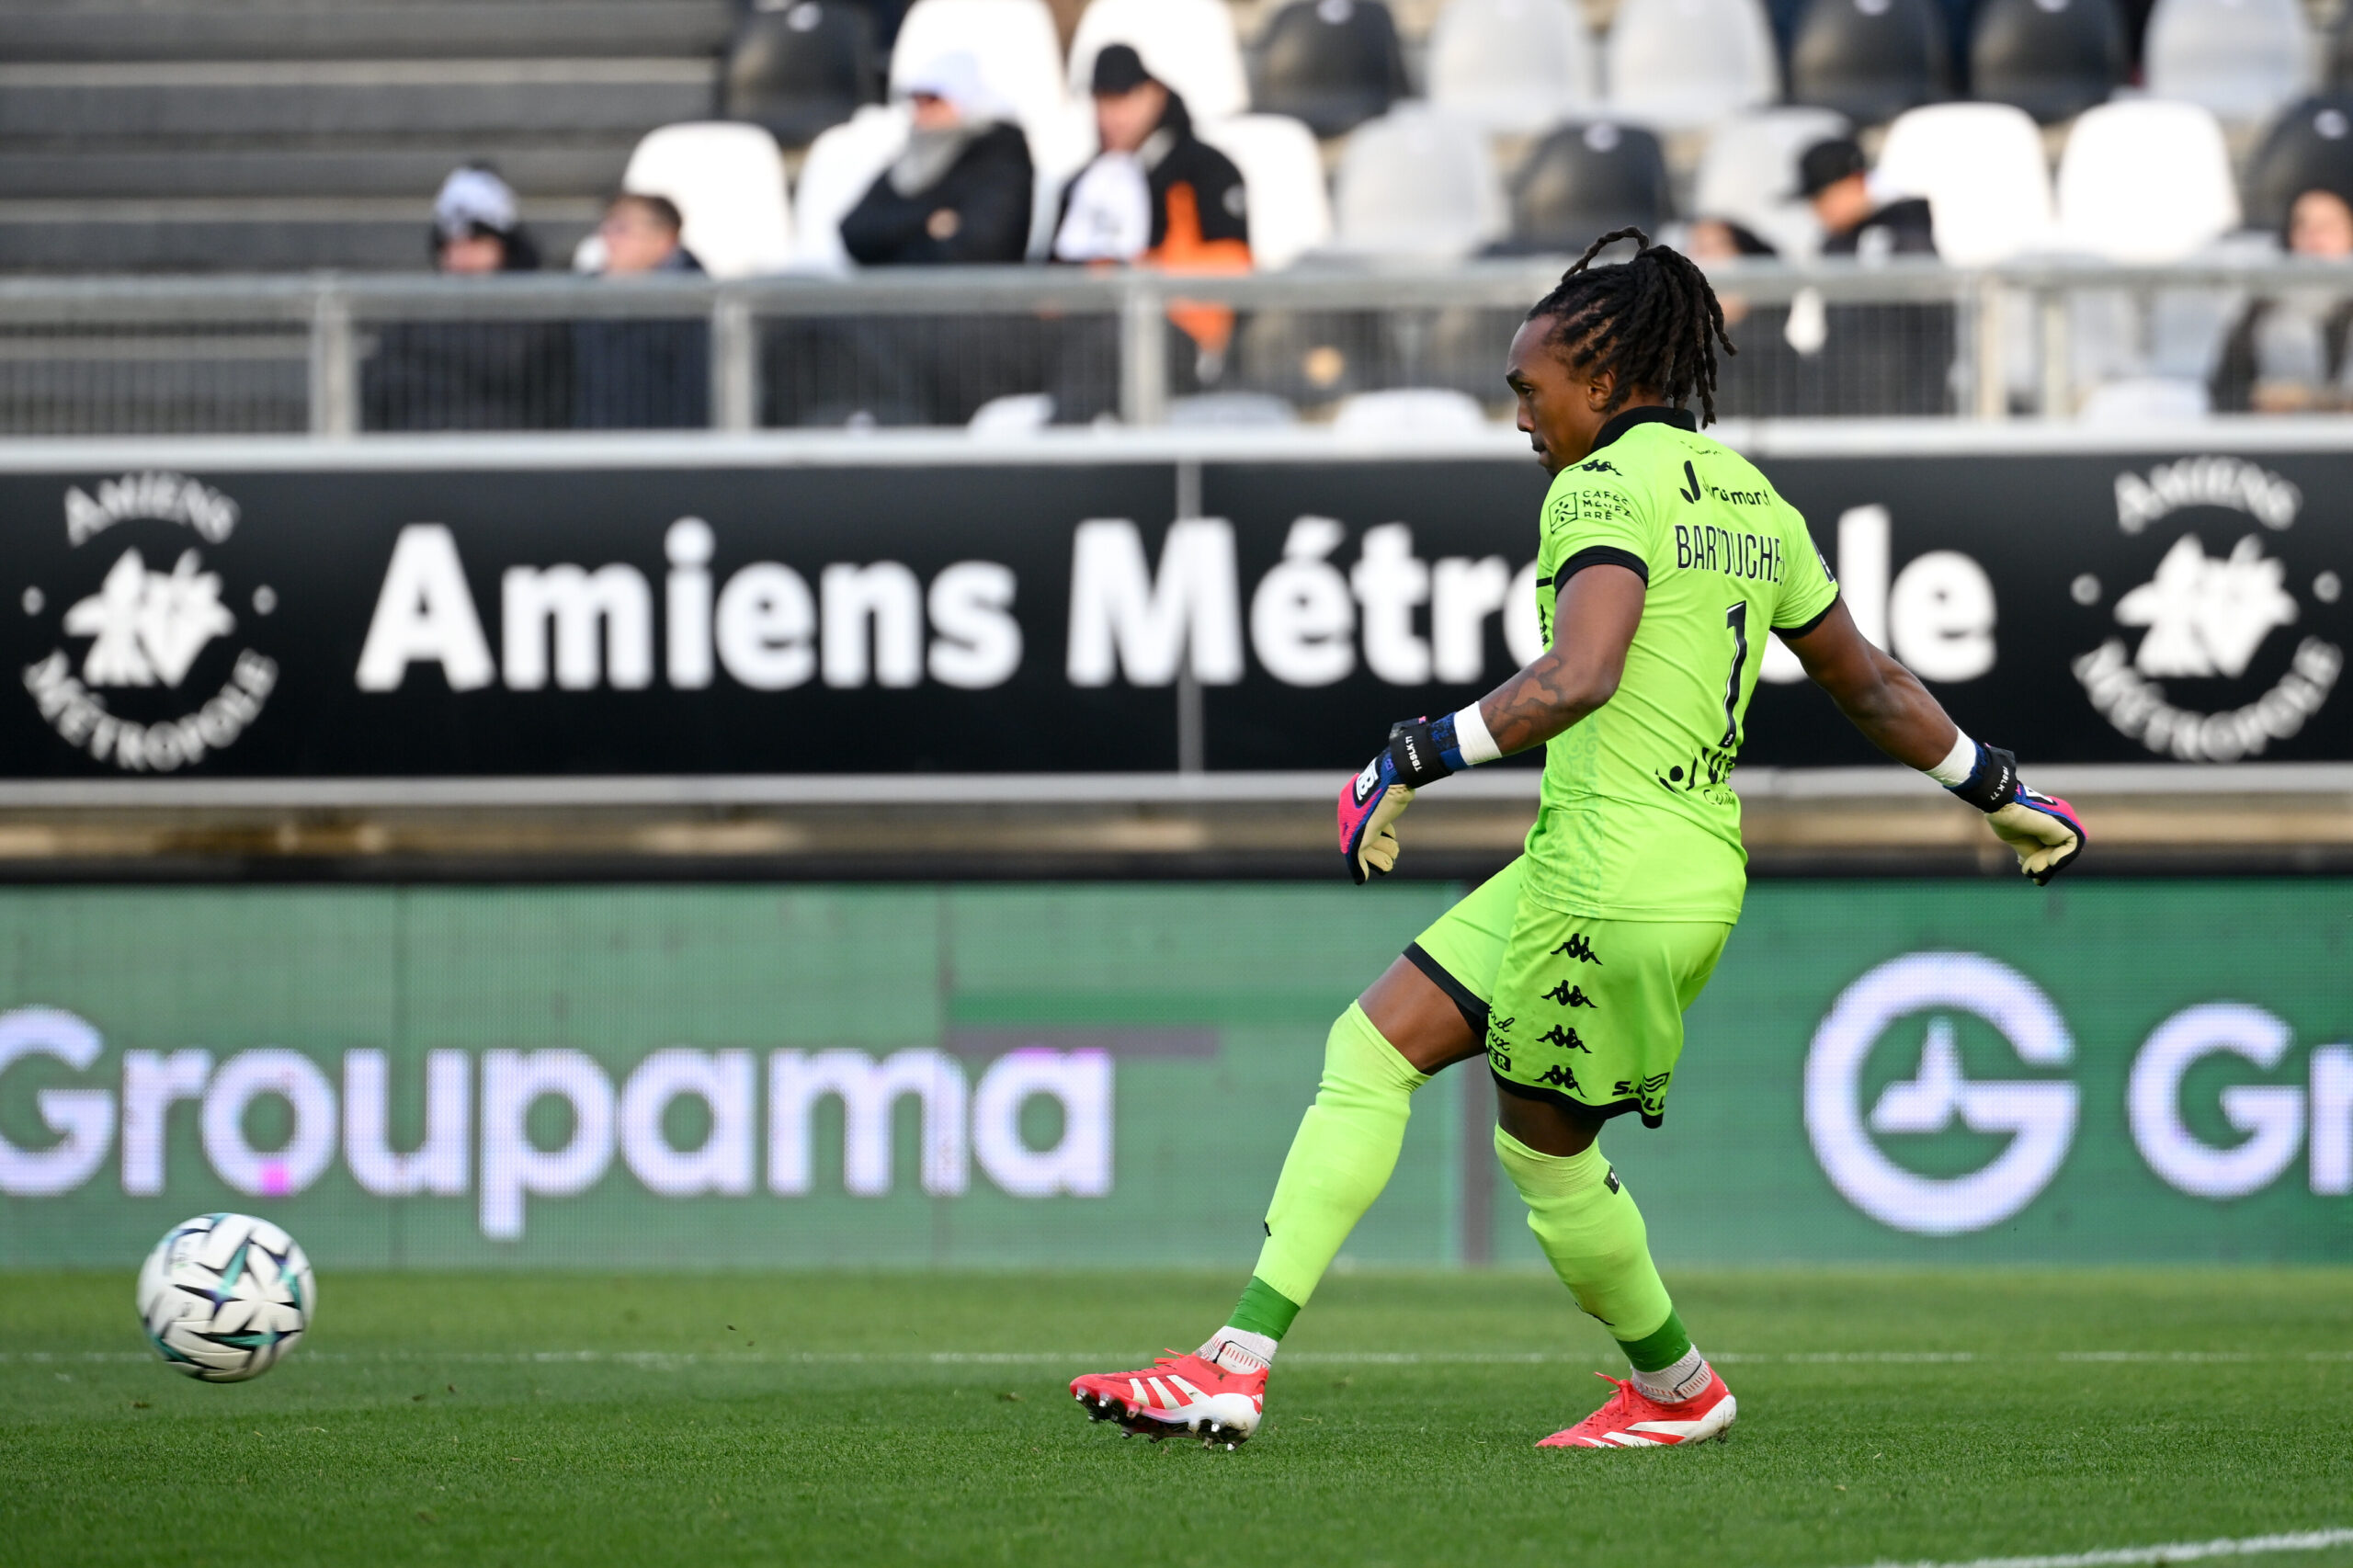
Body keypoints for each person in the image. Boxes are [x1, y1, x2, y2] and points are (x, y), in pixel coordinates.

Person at [1067, 229, 2086, 1452]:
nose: (1520, 416)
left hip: (1607, 876)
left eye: (1527, 387)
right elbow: (1867, 682)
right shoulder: (1751, 498)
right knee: (1373, 1043)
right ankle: (1235, 1361)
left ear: (1599, 382)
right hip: (1660, 861)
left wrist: (1411, 755)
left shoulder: (1598, 489)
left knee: (1546, 1161)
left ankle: (1676, 1387)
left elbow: (1579, 673)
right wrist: (1997, 786)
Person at [1048, 42, 1252, 420]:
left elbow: (1232, 270)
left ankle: (1057, 456)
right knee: (977, 340)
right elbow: (1050, 278)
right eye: (1102, 101)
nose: (1111, 116)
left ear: (1155, 93)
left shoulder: (1205, 170)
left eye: (1123, 98)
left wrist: (1138, 275)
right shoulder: (1084, 181)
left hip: (1173, 335)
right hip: (1077, 328)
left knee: (1110, 344)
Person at [362, 165, 572, 431]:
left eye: (475, 241)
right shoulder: (415, 316)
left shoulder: (540, 316)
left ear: (504, 247)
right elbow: (381, 388)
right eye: (451, 244)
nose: (461, 256)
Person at [839, 51, 1034, 267]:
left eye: (933, 101)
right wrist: (928, 222)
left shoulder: (1002, 157)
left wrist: (893, 248)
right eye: (918, 103)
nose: (922, 114)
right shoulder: (911, 158)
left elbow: (979, 247)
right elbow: (854, 231)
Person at [573, 191, 710, 429]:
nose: (608, 239)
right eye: (606, 228)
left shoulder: (699, 307)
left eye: (621, 229)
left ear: (664, 238)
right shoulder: (586, 296)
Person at [2211, 187, 2353, 414]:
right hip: (2283, 433)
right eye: (2302, 225)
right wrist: (2258, 400)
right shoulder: (2263, 306)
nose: (2314, 236)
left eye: (2327, 226)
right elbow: (2224, 389)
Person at [1798, 138, 1936, 260]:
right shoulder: (1835, 243)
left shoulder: (1914, 223)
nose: (1816, 209)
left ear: (1855, 180)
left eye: (1821, 197)